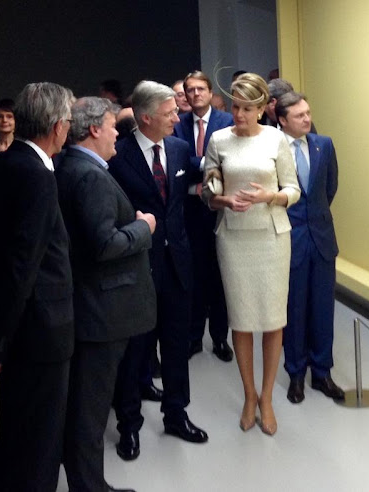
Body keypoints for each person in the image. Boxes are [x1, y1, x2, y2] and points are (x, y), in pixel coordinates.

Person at [55, 97, 157, 492]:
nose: (118, 132)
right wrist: (143, 227)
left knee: (85, 403)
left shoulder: (70, 165)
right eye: (113, 126)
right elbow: (102, 245)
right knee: (91, 408)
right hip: (102, 310)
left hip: (87, 304)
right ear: (95, 129)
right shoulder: (92, 175)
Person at [109, 81, 207, 462]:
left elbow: (200, 180)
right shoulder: (118, 156)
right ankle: (129, 427)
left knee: (177, 346)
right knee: (135, 351)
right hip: (137, 268)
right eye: (169, 113)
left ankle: (176, 414)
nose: (177, 117)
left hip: (177, 265)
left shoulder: (181, 149)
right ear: (145, 117)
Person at [0, 82, 74, 492]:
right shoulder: (38, 175)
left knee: (15, 430)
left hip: (17, 327)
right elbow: (23, 263)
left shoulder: (1, 162)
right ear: (57, 126)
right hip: (40, 329)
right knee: (39, 441)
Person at [202, 73, 300, 435]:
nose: (238, 114)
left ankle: (267, 399)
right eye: (235, 107)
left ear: (262, 108)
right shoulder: (218, 140)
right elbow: (209, 187)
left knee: (273, 320)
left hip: (272, 238)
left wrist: (269, 197)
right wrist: (219, 198)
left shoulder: (276, 139)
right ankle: (248, 395)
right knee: (241, 320)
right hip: (234, 238)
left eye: (247, 108)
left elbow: (293, 190)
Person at [275, 92, 344, 404]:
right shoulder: (272, 149)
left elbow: (330, 187)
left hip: (321, 238)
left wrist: (314, 217)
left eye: (308, 112)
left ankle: (322, 372)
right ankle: (296, 374)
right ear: (282, 120)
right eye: (299, 115)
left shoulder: (323, 144)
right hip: (290, 239)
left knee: (322, 309)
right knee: (295, 309)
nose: (307, 119)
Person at [173, 71, 234, 362]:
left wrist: (199, 163)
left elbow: (228, 161)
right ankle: (194, 337)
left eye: (200, 89)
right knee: (193, 275)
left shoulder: (227, 122)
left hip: (219, 208)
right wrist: (207, 163)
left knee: (220, 275)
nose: (195, 94)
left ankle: (221, 338)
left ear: (210, 93)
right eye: (190, 90)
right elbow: (178, 160)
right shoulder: (178, 124)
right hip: (189, 209)